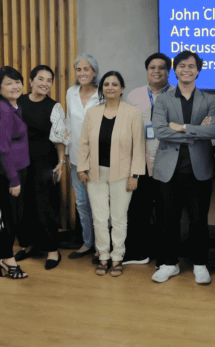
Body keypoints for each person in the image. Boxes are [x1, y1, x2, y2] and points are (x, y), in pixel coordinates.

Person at [151, 50, 215, 285]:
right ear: (175, 70)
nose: (186, 70)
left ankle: (200, 264)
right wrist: (195, 132)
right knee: (168, 220)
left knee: (199, 221)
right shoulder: (163, 99)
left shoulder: (209, 100)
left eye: (191, 66)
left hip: (199, 170)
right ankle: (170, 263)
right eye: (181, 66)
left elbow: (214, 131)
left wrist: (181, 128)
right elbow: (160, 131)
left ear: (198, 71)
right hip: (168, 171)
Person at [77, 71, 145, 277]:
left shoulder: (132, 113)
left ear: (122, 89)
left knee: (118, 218)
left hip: (123, 174)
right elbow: (84, 143)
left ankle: (117, 257)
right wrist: (81, 167)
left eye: (115, 84)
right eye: (106, 84)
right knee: (99, 217)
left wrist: (135, 175)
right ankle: (103, 256)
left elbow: (138, 146)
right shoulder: (93, 113)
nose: (110, 87)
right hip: (95, 173)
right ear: (102, 88)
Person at [16, 65, 67, 270]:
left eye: (49, 80)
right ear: (30, 81)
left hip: (45, 159)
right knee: (23, 203)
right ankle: (28, 245)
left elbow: (60, 138)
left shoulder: (54, 107)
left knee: (45, 204)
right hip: (19, 160)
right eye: (40, 79)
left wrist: (61, 162)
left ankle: (52, 250)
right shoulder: (17, 102)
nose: (45, 83)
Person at [125, 52, 172, 265]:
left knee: (165, 212)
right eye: (152, 67)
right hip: (140, 161)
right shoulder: (134, 95)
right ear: (147, 71)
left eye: (161, 67)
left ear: (168, 71)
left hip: (167, 161)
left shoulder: (176, 94)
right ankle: (138, 252)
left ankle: (164, 256)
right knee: (138, 209)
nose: (156, 71)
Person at [0, 66, 30, 279]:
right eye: (9, 83)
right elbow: (2, 148)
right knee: (9, 219)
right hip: (7, 173)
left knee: (10, 216)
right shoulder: (2, 109)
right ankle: (8, 260)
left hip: (16, 170)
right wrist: (13, 179)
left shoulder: (12, 105)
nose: (15, 86)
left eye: (17, 81)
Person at [65, 54, 101, 262]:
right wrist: (67, 154)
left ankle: (101, 246)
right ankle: (88, 242)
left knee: (99, 203)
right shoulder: (71, 92)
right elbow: (69, 123)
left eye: (86, 69)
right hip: (76, 158)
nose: (82, 73)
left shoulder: (103, 93)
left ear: (94, 72)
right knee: (81, 203)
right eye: (78, 69)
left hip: (97, 159)